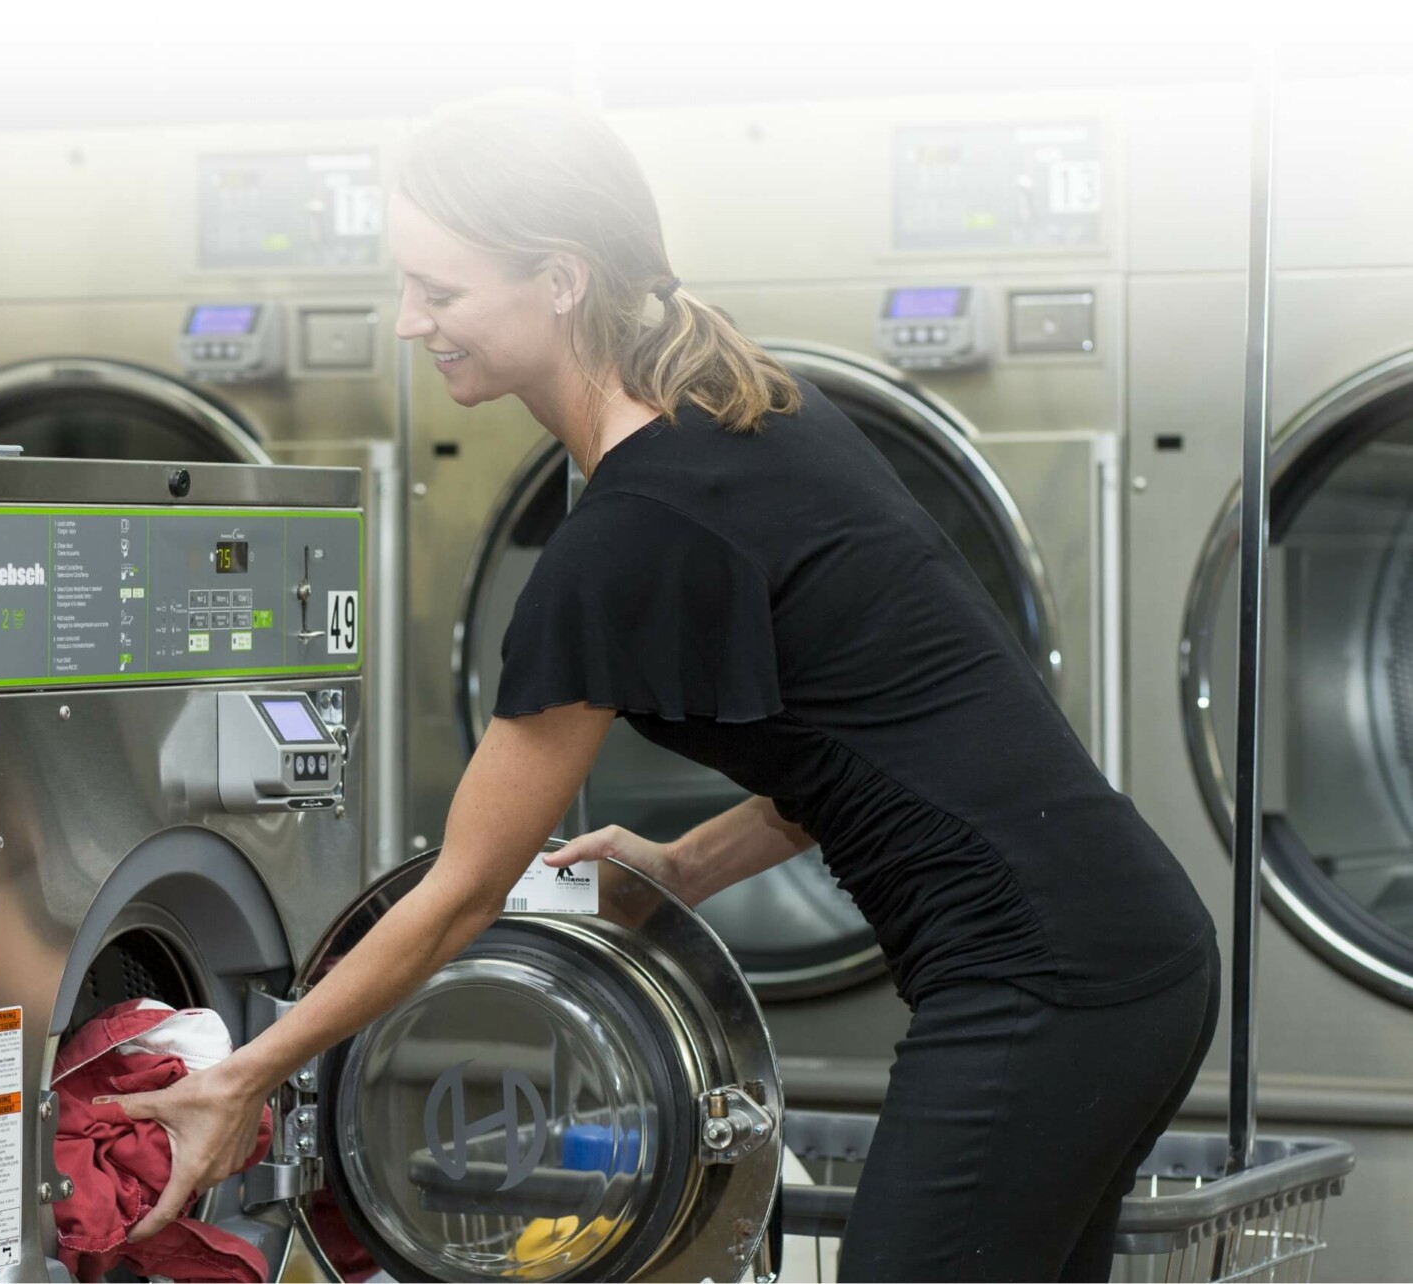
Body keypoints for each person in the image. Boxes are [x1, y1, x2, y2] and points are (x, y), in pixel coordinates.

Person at [109, 92, 1218, 1282]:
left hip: (1040, 981)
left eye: (439, 290)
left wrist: (243, 1074)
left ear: (561, 279)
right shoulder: (749, 422)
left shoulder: (630, 530)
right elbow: (869, 743)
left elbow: (462, 894)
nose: (407, 324)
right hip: (1120, 953)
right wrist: (689, 868)